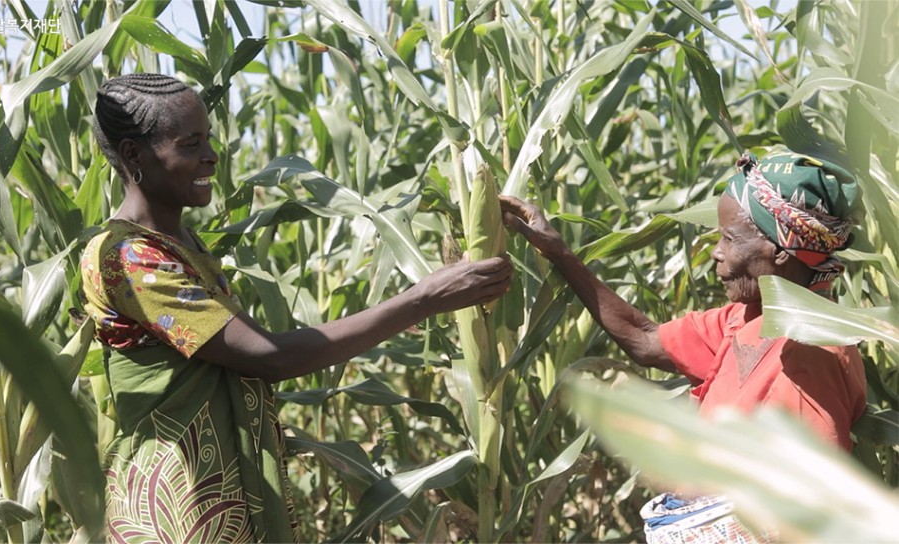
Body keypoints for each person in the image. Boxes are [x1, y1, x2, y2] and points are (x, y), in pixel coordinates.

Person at [79, 73, 512, 543]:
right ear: (133, 155)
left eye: (209, 138)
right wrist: (424, 298)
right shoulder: (127, 257)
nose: (211, 155)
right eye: (191, 143)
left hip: (220, 492)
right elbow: (270, 356)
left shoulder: (180, 243)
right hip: (176, 508)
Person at [500, 150, 866, 544]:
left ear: (779, 249)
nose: (716, 252)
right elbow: (643, 338)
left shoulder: (812, 352)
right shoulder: (745, 318)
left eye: (730, 238)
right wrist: (557, 250)